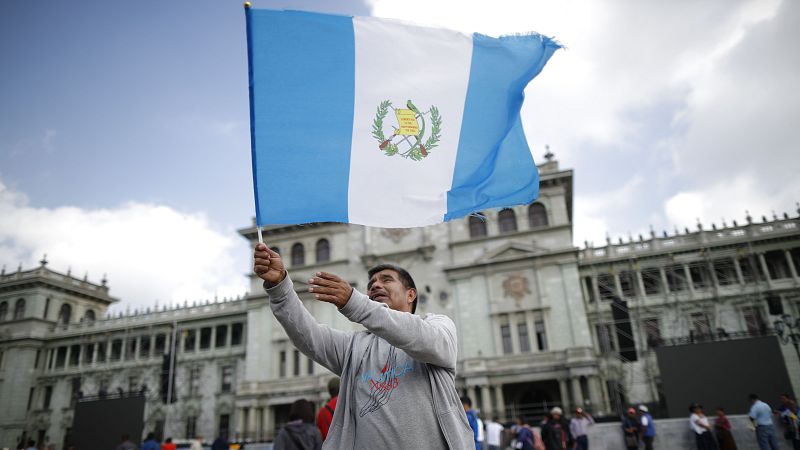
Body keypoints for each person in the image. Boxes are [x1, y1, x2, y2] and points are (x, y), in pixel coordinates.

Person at [254, 244, 474, 449]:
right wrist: (279, 286)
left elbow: (424, 340)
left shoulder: (437, 324)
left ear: (411, 294)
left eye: (387, 280)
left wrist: (354, 303)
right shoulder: (354, 347)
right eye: (371, 285)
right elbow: (308, 335)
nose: (376, 285)